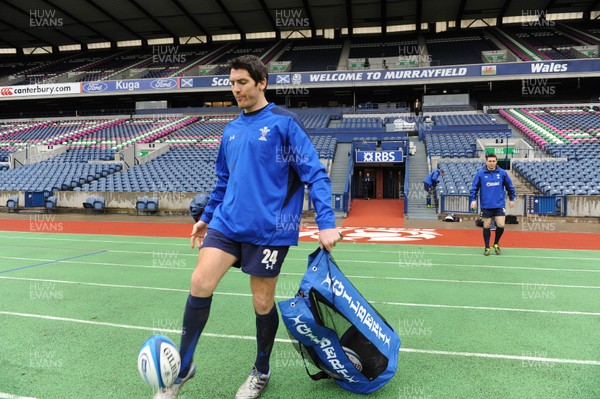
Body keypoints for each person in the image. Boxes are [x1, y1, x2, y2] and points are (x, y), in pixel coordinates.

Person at [154, 55, 342, 399]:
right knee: (199, 282)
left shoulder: (285, 123)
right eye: (231, 83)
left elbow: (314, 173)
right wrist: (206, 217)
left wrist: (326, 223)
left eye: (242, 82)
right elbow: (223, 181)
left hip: (270, 230)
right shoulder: (231, 129)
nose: (235, 89)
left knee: (261, 301)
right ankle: (183, 368)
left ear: (262, 82)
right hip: (227, 223)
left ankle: (261, 370)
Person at [469, 153, 516, 256]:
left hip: (499, 204)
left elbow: (510, 187)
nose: (491, 163)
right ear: (486, 161)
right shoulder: (480, 173)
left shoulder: (502, 173)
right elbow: (474, 188)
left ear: (496, 161)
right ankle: (487, 247)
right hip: (486, 205)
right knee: (487, 225)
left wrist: (512, 198)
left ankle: (496, 243)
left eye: (493, 161)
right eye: (489, 161)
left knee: (501, 224)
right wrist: (473, 200)